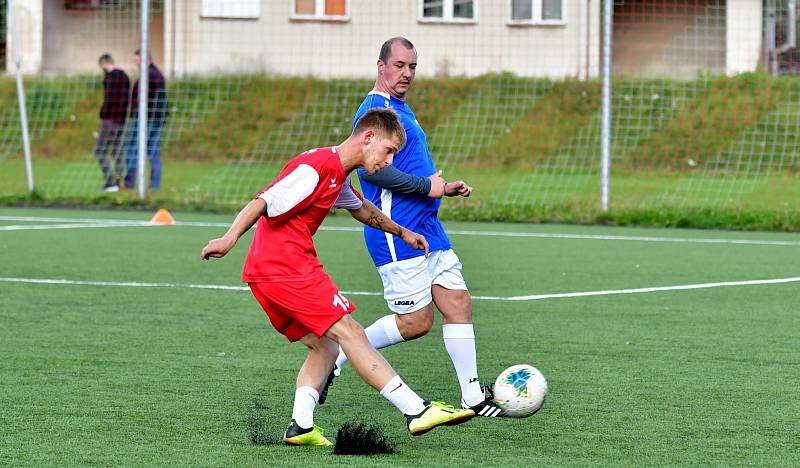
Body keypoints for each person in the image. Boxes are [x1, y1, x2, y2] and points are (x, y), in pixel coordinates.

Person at [200, 108, 474, 447]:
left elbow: (361, 209)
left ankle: (300, 426)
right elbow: (262, 200)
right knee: (351, 332)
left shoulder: (338, 174)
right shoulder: (317, 167)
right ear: (368, 137)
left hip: (268, 272)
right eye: (388, 151)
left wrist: (403, 233)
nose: (389, 161)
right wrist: (229, 238)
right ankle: (416, 410)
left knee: (325, 346)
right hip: (285, 268)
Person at [328, 37, 505, 418]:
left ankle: (473, 397)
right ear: (381, 66)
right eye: (399, 65)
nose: (406, 73)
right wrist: (428, 186)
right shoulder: (375, 109)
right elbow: (377, 171)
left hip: (428, 225)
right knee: (416, 322)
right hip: (398, 232)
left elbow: (411, 165)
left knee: (458, 302)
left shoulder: (401, 109)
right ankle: (340, 354)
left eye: (412, 67)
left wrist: (443, 187)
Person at [123, 49, 168, 190]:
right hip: (154, 118)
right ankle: (154, 185)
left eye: (138, 60)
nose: (136, 63)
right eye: (135, 60)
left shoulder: (150, 75)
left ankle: (129, 182)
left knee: (132, 148)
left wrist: (136, 112)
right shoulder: (155, 74)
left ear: (148, 60)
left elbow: (145, 99)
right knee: (152, 150)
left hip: (146, 119)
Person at [94, 53, 130, 192]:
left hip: (110, 121)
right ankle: (120, 182)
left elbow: (109, 101)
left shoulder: (110, 79)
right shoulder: (125, 77)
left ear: (104, 64)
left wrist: (103, 114)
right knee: (117, 151)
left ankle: (110, 182)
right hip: (121, 120)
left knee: (99, 151)